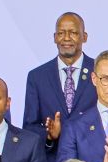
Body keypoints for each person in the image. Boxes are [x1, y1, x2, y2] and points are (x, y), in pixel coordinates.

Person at [17, 11, 95, 147]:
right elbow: (29, 128)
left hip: (92, 161)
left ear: (85, 37)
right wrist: (49, 135)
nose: (66, 38)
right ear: (54, 38)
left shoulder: (99, 71)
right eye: (61, 33)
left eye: (73, 33)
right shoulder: (37, 76)